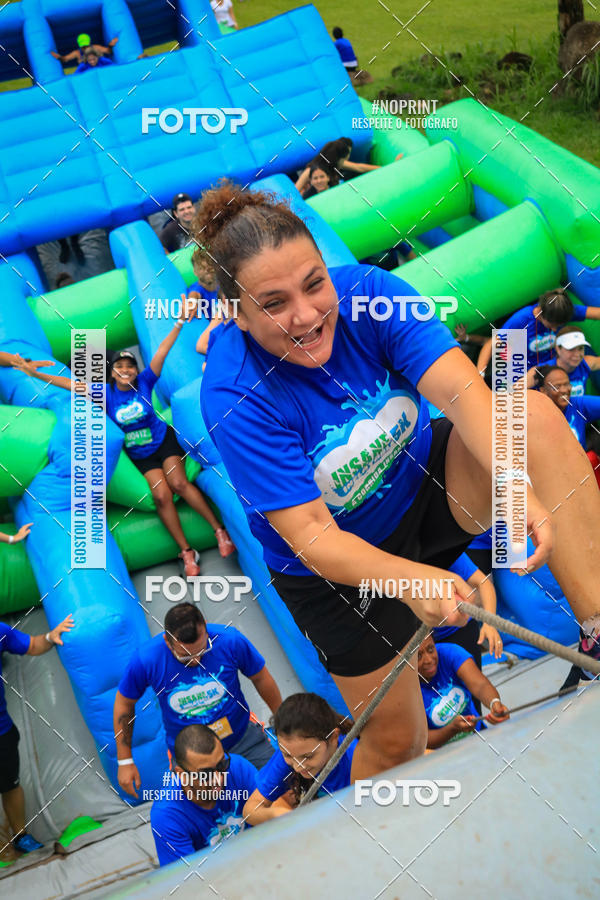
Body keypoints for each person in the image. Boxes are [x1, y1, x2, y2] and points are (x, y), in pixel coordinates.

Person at [195, 182, 600, 780]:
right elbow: (310, 534)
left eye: (314, 284)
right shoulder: (234, 391)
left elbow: (467, 397)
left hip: (419, 493)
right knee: (397, 745)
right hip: (334, 572)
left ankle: (594, 635)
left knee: (531, 416)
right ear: (237, 311)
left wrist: (515, 488)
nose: (306, 315)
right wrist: (409, 579)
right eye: (274, 303)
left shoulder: (372, 296)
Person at [13, 300, 234, 576]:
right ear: (113, 373)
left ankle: (219, 531)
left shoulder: (145, 381)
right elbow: (70, 384)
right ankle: (187, 552)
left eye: (130, 366)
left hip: (163, 441)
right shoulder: (105, 394)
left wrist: (178, 322)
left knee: (178, 482)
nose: (126, 371)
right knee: (161, 496)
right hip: (140, 454)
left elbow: (163, 351)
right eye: (120, 368)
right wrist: (35, 373)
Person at [114, 602, 280, 796]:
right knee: (209, 812)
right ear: (168, 642)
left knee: (279, 790)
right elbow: (124, 703)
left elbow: (260, 677)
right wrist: (124, 761)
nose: (195, 660)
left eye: (202, 650)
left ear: (206, 629)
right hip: (192, 761)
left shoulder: (230, 640)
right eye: (185, 656)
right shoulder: (147, 660)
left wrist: (282, 720)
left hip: (242, 739)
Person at [1, 612, 74, 855]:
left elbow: (32, 645)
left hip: (2, 731)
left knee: (10, 785)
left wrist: (51, 636)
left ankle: (20, 836)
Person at [150, 724, 256, 866]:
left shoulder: (238, 767)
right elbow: (187, 879)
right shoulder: (167, 815)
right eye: (206, 774)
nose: (219, 778)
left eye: (221, 765)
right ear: (182, 775)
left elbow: (275, 814)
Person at [243, 693, 356, 824]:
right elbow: (250, 810)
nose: (298, 766)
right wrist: (276, 814)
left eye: (308, 756)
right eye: (287, 755)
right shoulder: (294, 751)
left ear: (333, 738)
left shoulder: (355, 755)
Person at [477, 288, 600, 375]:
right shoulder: (522, 320)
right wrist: (480, 374)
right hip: (528, 374)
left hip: (555, 368)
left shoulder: (562, 310)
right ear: (540, 313)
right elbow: (491, 344)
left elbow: (595, 312)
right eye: (551, 325)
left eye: (559, 326)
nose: (554, 329)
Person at [417, 636, 509, 749]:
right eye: (418, 656)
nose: (428, 660)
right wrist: (452, 729)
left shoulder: (450, 653)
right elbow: (422, 741)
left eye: (431, 649)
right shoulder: (404, 688)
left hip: (478, 737)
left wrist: (494, 703)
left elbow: (480, 685)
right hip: (442, 759)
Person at [533, 365, 600, 449]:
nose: (564, 390)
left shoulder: (578, 404)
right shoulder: (534, 415)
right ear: (543, 391)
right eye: (557, 387)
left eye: (567, 384)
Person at [295, 138, 379, 195]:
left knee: (353, 174)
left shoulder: (334, 164)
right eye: (344, 158)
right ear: (337, 158)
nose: (347, 159)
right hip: (313, 195)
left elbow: (359, 167)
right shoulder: (310, 171)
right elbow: (296, 191)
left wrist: (384, 168)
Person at [552, 326, 600, 396]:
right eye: (571, 349)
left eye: (580, 348)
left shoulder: (585, 363)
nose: (577, 354)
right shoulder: (542, 371)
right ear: (558, 349)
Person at [51, 33, 118, 66]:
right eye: (83, 47)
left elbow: (108, 51)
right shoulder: (77, 53)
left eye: (87, 46)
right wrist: (59, 57)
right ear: (80, 46)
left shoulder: (96, 48)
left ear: (89, 43)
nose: (86, 49)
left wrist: (110, 46)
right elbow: (65, 59)